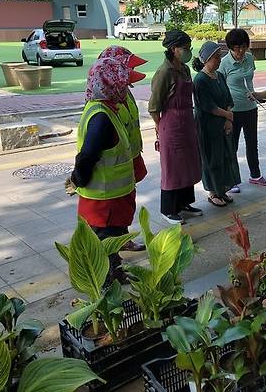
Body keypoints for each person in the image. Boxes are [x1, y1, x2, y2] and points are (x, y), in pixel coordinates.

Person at [68, 53, 145, 282]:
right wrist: (77, 178)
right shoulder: (100, 115)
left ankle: (114, 270)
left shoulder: (106, 107)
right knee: (105, 242)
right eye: (120, 86)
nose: (125, 91)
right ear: (108, 85)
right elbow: (88, 155)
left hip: (112, 195)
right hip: (104, 198)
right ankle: (108, 280)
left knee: (111, 239)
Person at [96, 45, 150, 252]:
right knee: (115, 207)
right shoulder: (107, 97)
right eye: (125, 67)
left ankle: (123, 237)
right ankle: (116, 245)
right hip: (115, 164)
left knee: (126, 203)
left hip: (130, 157)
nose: (129, 73)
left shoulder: (124, 92)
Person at [148, 29, 202, 225]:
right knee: (172, 168)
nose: (188, 52)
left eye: (189, 48)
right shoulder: (164, 73)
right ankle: (168, 209)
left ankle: (184, 203)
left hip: (187, 122)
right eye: (185, 48)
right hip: (171, 125)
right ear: (173, 49)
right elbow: (154, 106)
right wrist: (158, 126)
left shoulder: (185, 69)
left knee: (187, 164)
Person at [218, 28, 266, 194]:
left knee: (252, 143)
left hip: (250, 108)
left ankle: (255, 175)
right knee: (231, 146)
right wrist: (225, 113)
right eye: (236, 47)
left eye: (243, 46)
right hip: (232, 111)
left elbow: (249, 80)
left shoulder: (249, 58)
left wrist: (256, 96)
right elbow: (221, 88)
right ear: (230, 47)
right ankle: (230, 180)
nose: (240, 51)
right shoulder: (224, 63)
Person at [193, 41, 241, 207]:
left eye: (219, 57)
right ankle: (213, 192)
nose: (219, 60)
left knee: (225, 157)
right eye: (215, 57)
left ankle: (222, 190)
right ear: (206, 59)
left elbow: (228, 98)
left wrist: (228, 120)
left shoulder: (219, 75)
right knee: (211, 159)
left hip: (223, 124)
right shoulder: (200, 79)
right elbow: (208, 106)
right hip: (208, 126)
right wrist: (228, 115)